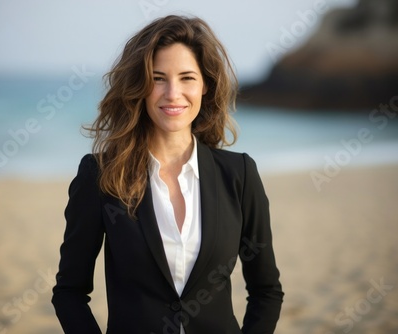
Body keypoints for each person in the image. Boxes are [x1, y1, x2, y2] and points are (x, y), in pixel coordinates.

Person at [52, 15, 283, 334]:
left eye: (187, 77)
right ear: (139, 87)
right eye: (158, 78)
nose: (173, 93)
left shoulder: (239, 174)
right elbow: (69, 293)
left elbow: (266, 290)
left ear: (205, 85)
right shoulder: (100, 175)